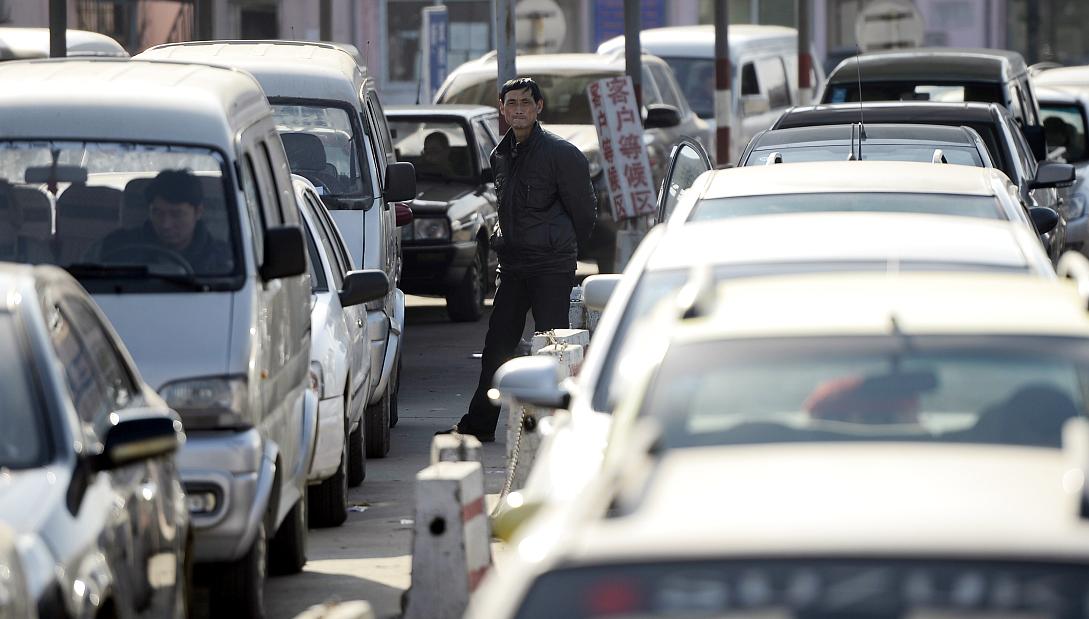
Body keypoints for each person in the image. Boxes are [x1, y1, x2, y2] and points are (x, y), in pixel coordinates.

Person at [439, 77, 597, 441]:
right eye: (512, 103)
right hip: (513, 267)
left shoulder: (561, 153)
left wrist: (562, 246)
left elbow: (584, 213)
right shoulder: (500, 154)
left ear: (539, 107)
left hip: (552, 267)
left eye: (526, 103)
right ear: (502, 109)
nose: (519, 109)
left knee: (554, 346)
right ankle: (479, 425)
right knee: (497, 345)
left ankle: (558, 427)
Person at [100, 169, 231, 273]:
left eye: (177, 214)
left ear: (198, 212)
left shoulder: (224, 262)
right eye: (157, 213)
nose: (165, 224)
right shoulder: (116, 247)